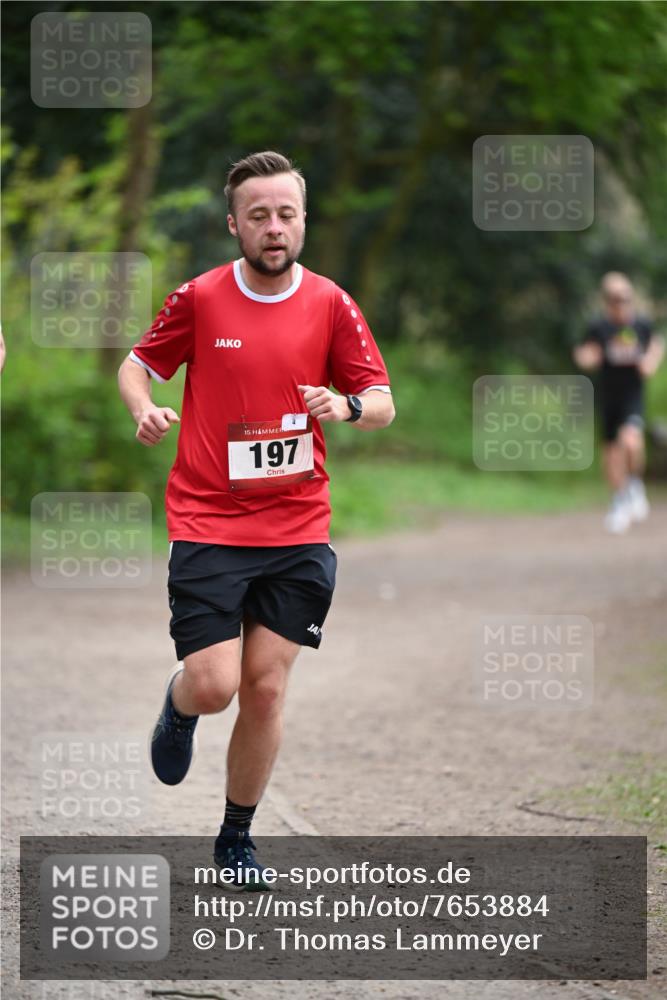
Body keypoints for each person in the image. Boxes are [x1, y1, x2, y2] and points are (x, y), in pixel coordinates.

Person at [118, 151, 395, 887]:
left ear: (302, 220)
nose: (274, 228)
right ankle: (179, 709)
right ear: (235, 224)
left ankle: (236, 838)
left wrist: (347, 405)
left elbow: (383, 400)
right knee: (216, 684)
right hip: (208, 520)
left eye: (286, 214)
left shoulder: (331, 303)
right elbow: (136, 364)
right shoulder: (201, 298)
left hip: (297, 526)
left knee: (266, 688)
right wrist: (145, 409)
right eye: (259, 216)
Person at [573, 271, 664, 534]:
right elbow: (584, 352)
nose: (621, 303)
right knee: (611, 453)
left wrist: (650, 361)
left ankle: (635, 483)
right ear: (606, 301)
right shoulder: (599, 327)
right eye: (615, 298)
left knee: (631, 440)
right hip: (608, 396)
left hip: (632, 396)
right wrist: (586, 358)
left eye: (626, 297)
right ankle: (619, 500)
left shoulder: (642, 326)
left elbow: (656, 345)